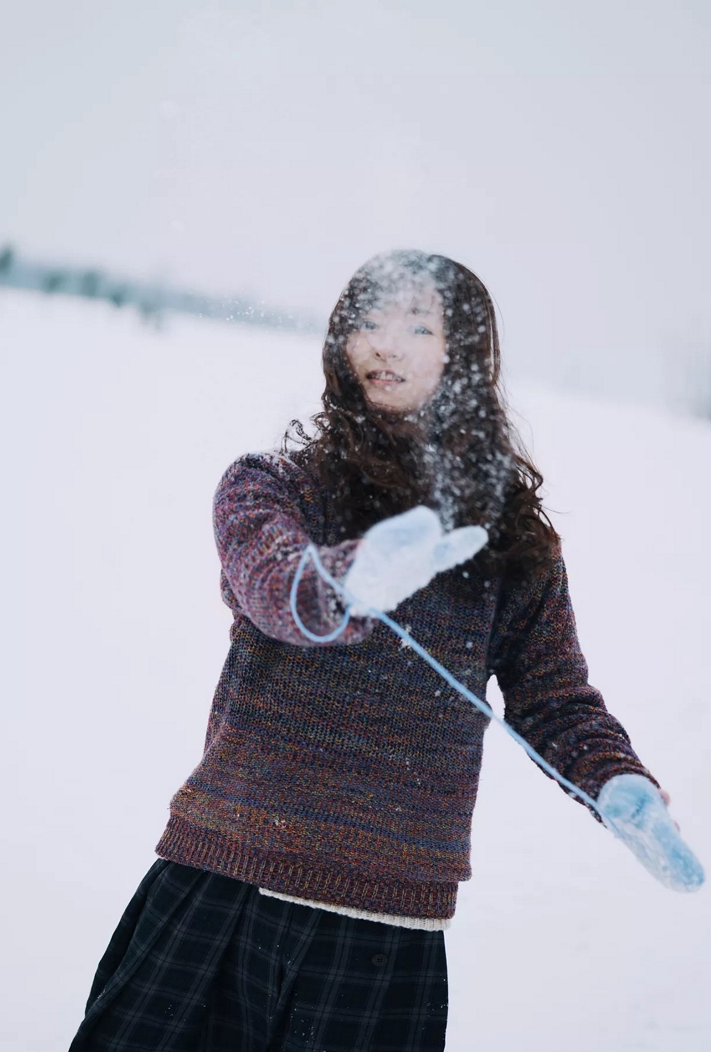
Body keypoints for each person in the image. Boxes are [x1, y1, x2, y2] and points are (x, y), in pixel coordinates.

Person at [68, 249, 679, 1052]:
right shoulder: (271, 485)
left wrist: (617, 780)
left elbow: (553, 698)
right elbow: (274, 583)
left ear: (463, 357)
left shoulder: (514, 546)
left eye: (417, 326)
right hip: (223, 883)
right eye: (366, 322)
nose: (384, 345)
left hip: (387, 926)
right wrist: (351, 581)